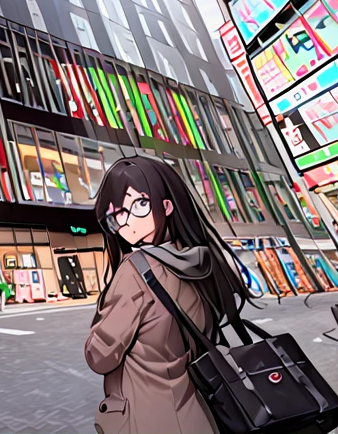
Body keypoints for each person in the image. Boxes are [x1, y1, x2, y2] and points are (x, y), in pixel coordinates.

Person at [85, 157, 252, 434]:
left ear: (167, 206)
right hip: (200, 413)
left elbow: (100, 356)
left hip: (149, 418)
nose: (128, 224)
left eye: (139, 205)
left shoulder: (135, 272)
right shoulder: (201, 261)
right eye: (118, 214)